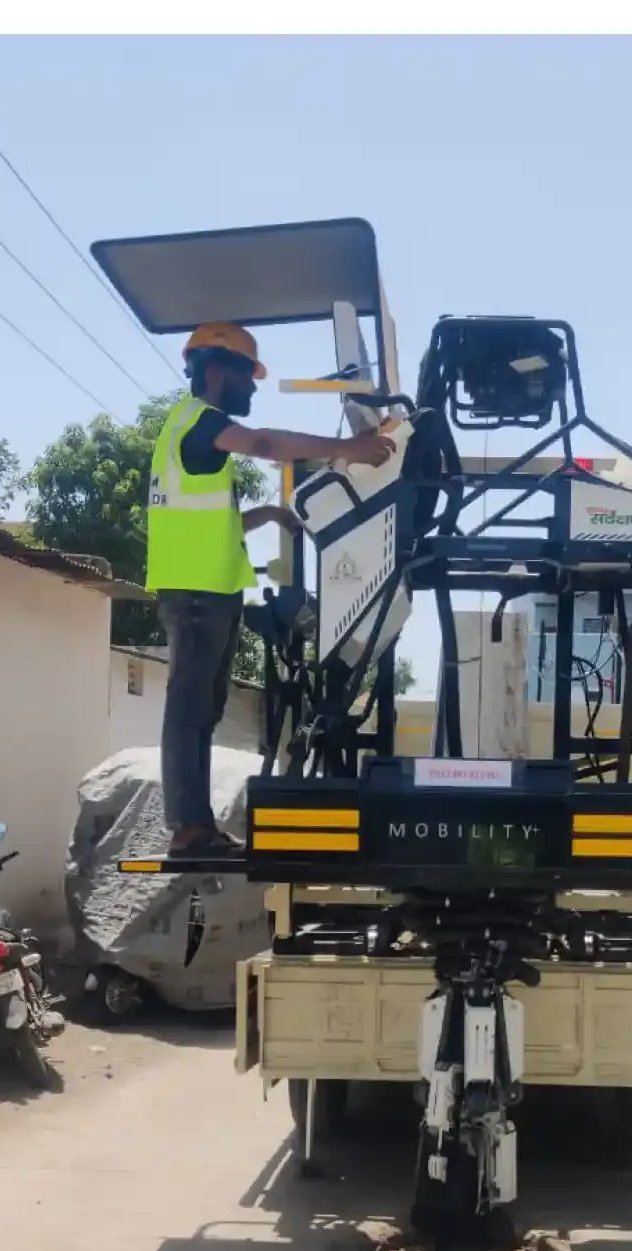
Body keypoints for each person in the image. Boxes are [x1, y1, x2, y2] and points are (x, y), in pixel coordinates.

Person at [149, 321, 394, 856]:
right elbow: (263, 443)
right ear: (216, 370)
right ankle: (189, 829)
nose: (253, 387)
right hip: (195, 595)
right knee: (190, 711)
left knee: (201, 710)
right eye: (247, 375)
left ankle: (198, 825)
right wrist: (347, 447)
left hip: (203, 591)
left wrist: (267, 514)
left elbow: (205, 525)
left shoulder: (186, 432)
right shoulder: (202, 423)